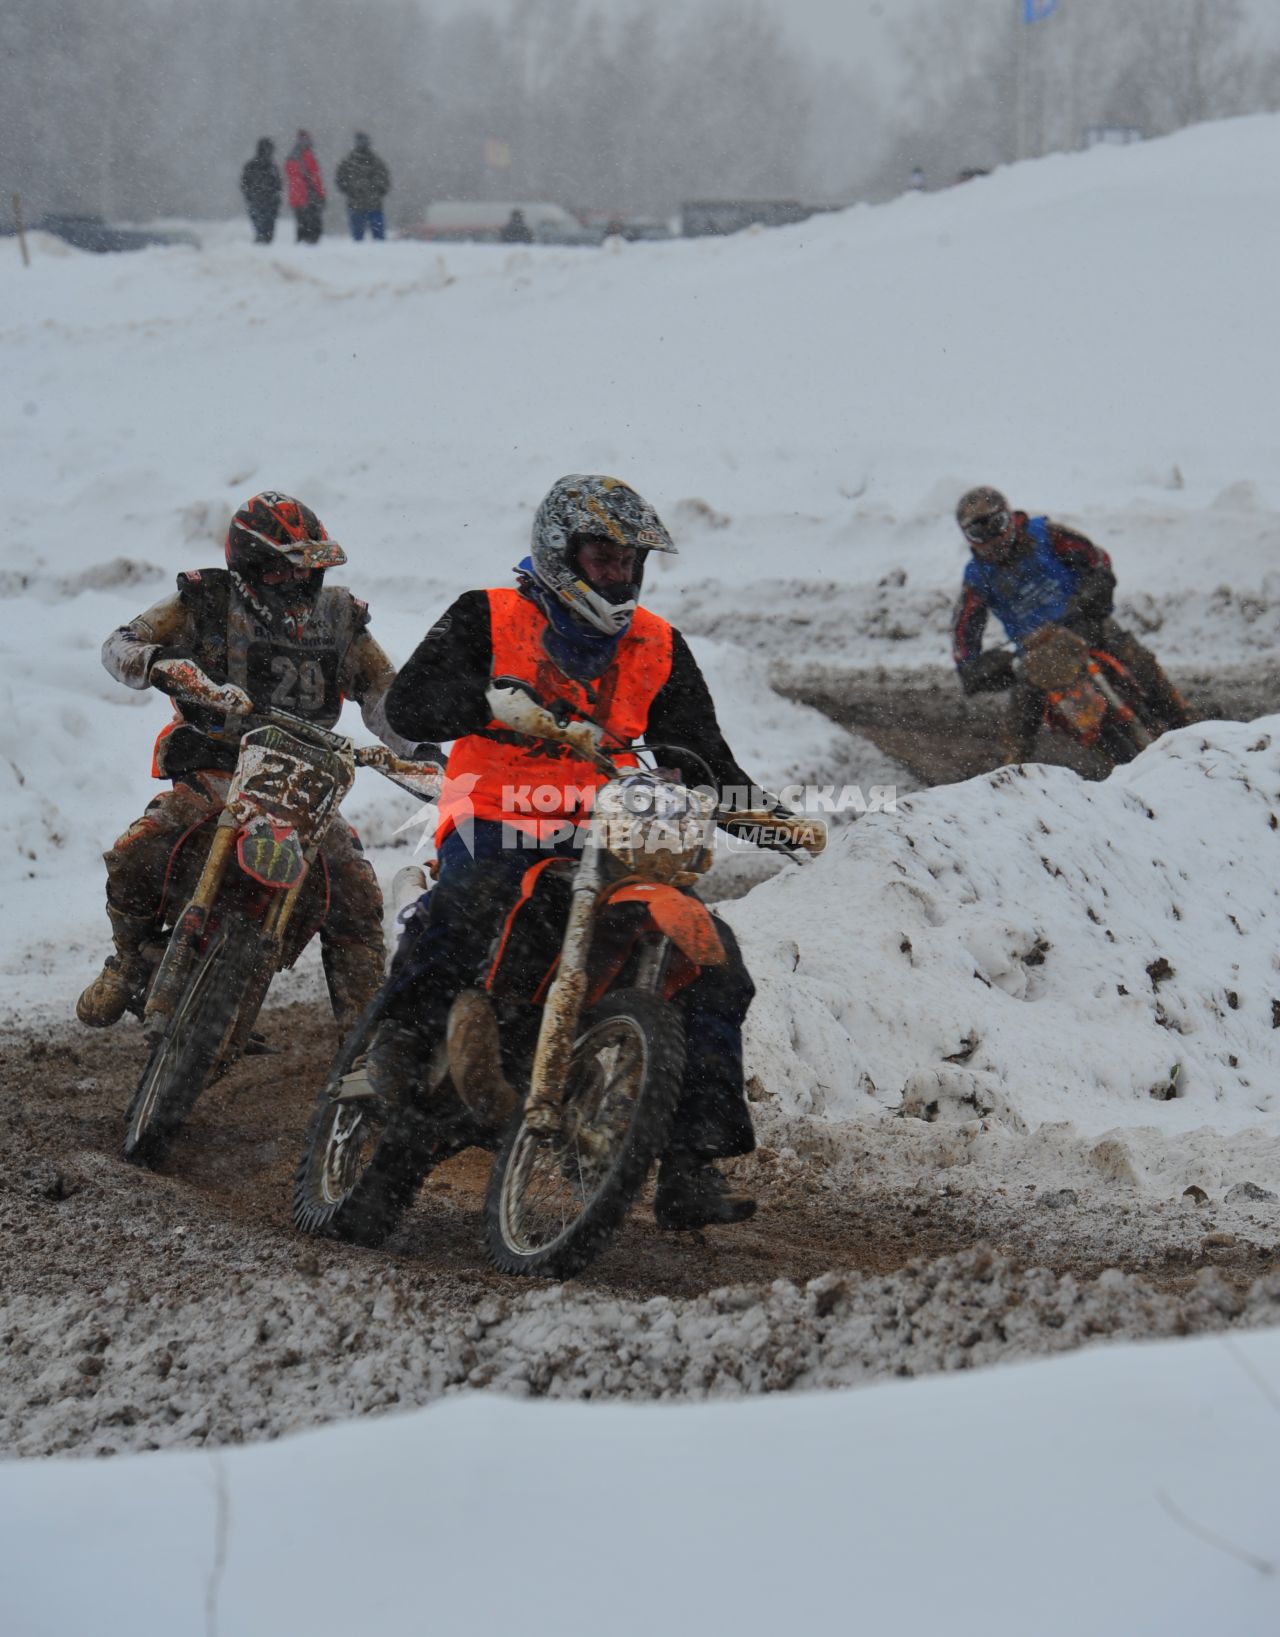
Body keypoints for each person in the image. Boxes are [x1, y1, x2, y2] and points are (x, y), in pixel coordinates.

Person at [379, 475, 810, 1231]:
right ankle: (392, 1042)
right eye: (603, 556)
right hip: (494, 812)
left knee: (711, 962)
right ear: (560, 550)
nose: (618, 573)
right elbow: (407, 705)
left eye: (628, 561)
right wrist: (484, 701)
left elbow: (704, 759)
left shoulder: (657, 644)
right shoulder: (489, 613)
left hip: (606, 832)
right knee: (473, 894)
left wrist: (780, 826)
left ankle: (688, 1164)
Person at [77, 492, 427, 1038]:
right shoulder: (206, 600)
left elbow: (385, 695)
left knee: (355, 886)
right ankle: (126, 960)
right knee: (142, 844)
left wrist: (423, 753)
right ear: (249, 569)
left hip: (300, 781)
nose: (296, 584)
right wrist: (158, 664)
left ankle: (365, 1040)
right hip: (214, 764)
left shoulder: (339, 619)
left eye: (306, 571)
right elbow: (120, 642)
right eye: (281, 572)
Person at [952, 485, 1190, 761]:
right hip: (1037, 651)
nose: (992, 538)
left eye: (996, 524)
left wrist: (1092, 592)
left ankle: (1189, 725)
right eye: (979, 531)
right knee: (1020, 719)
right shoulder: (977, 577)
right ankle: (1009, 779)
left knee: (1138, 662)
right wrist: (971, 667)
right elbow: (964, 627)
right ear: (968, 538)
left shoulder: (1046, 535)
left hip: (1084, 622)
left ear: (1009, 517)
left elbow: (1097, 559)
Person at [335, 132, 391, 242]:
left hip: (373, 204)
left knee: (379, 239)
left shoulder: (375, 161)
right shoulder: (349, 162)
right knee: (358, 238)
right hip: (356, 205)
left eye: (364, 141)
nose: (363, 144)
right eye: (360, 141)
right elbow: (341, 180)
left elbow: (384, 180)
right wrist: (352, 190)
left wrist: (377, 190)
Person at [285, 130, 325, 244]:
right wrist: (320, 194)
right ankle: (309, 248)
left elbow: (294, 178)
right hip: (309, 196)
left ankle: (302, 247)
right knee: (312, 226)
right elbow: (315, 177)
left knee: (302, 225)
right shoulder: (306, 155)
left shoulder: (292, 156)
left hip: (298, 198)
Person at [240, 138, 282, 243]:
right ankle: (263, 246)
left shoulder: (251, 165)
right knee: (267, 230)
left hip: (257, 201)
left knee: (260, 229)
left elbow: (244, 184)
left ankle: (261, 246)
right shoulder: (272, 167)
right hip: (267, 202)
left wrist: (250, 196)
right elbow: (278, 185)